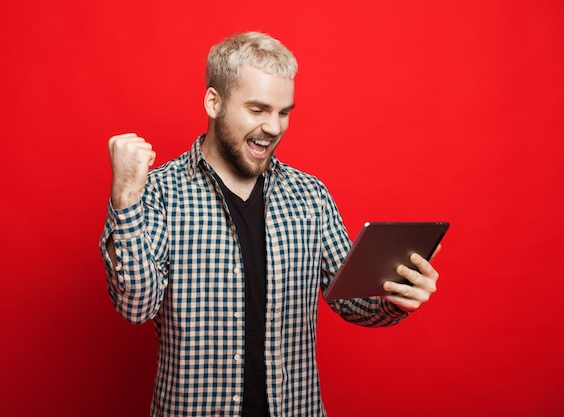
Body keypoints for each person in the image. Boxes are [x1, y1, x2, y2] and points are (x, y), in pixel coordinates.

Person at [99, 31, 441, 417]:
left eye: (284, 112)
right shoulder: (160, 192)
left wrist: (396, 294)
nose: (275, 127)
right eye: (258, 110)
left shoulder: (309, 195)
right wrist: (126, 196)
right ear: (214, 102)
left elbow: (353, 300)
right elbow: (135, 305)